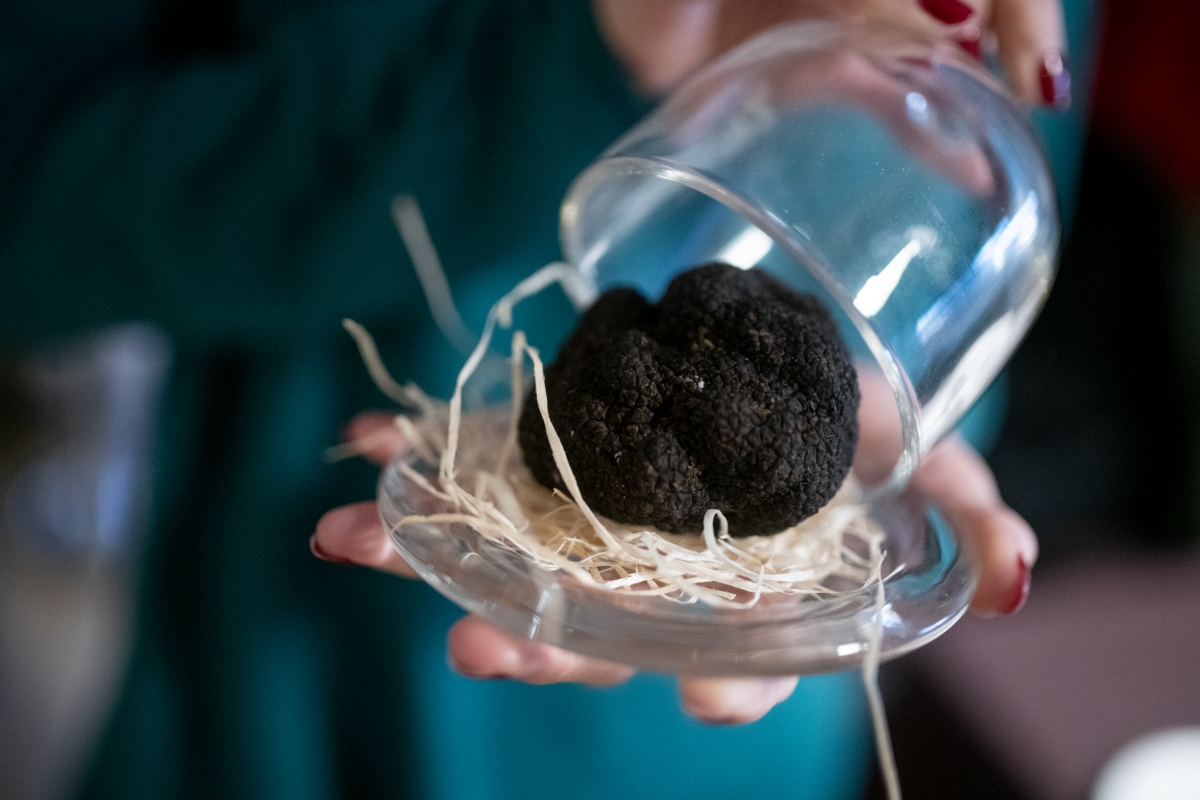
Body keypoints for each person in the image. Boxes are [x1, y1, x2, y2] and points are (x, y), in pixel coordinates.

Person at [0, 0, 1083, 797]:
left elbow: (977, 217)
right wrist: (578, 55)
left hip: (708, 720)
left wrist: (910, 416)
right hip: (266, 679)